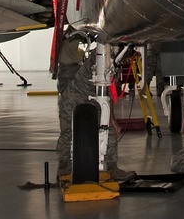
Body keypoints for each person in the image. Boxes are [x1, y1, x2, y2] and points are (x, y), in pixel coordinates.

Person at [55, 43, 134, 182]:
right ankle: (64, 166)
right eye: (128, 58)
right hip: (74, 97)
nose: (128, 61)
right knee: (68, 131)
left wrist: (111, 120)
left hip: (97, 97)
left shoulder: (113, 62)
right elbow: (108, 89)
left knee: (108, 129)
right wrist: (113, 120)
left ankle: (112, 167)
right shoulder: (101, 56)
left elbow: (108, 94)